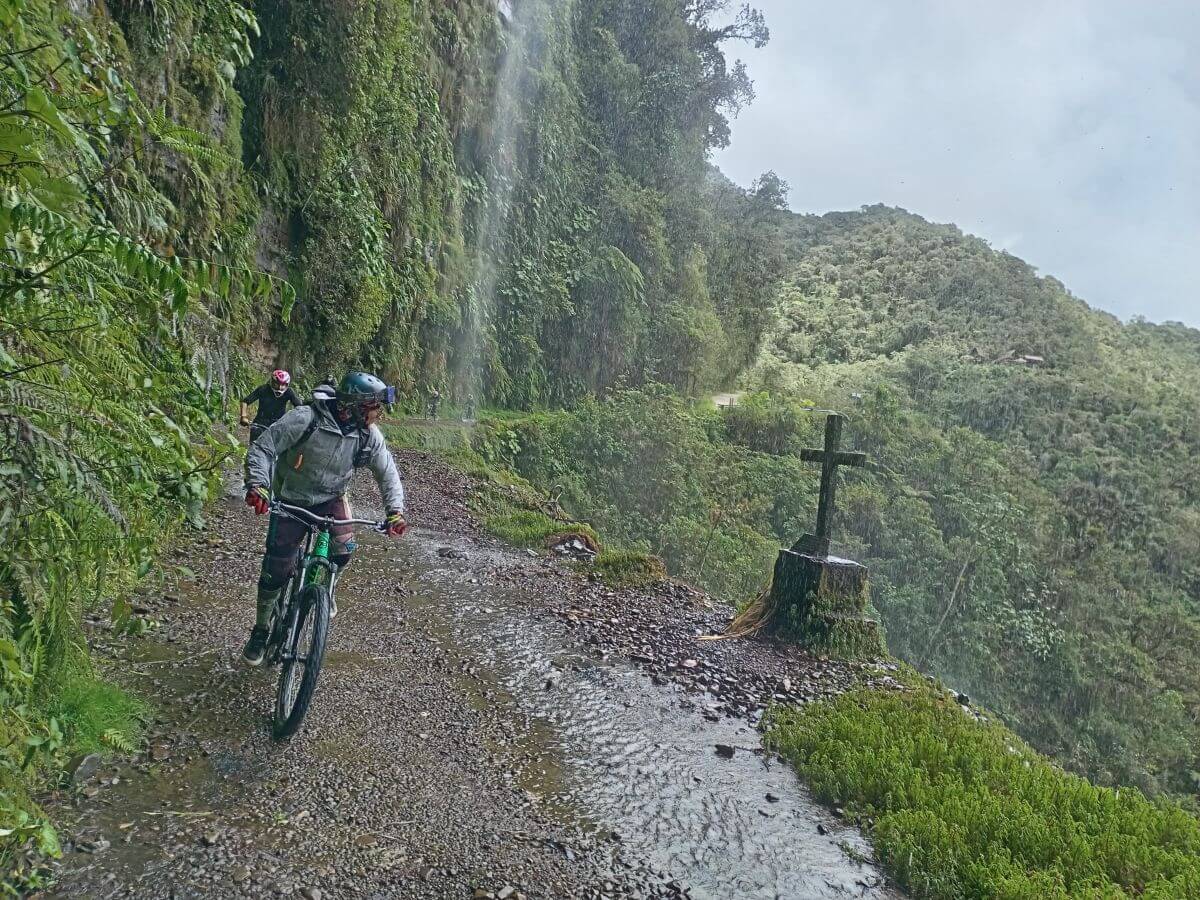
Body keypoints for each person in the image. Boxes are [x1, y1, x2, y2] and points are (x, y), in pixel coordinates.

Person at [241, 371, 407, 665]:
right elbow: (263, 448)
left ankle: (326, 591)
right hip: (292, 498)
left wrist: (395, 511)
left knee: (343, 550)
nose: (378, 415)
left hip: (332, 498)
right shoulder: (305, 419)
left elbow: (387, 472)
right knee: (276, 569)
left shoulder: (368, 435)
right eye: (374, 408)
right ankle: (262, 629)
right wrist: (258, 485)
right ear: (355, 405)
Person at [240, 369, 300, 442]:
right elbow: (245, 401)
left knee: (276, 449)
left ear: (287, 384)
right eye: (277, 383)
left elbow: (300, 407)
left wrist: (295, 422)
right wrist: (243, 416)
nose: (280, 387)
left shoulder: (289, 392)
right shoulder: (263, 389)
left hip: (279, 424)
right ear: (272, 382)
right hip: (260, 423)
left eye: (283, 384)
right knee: (254, 446)